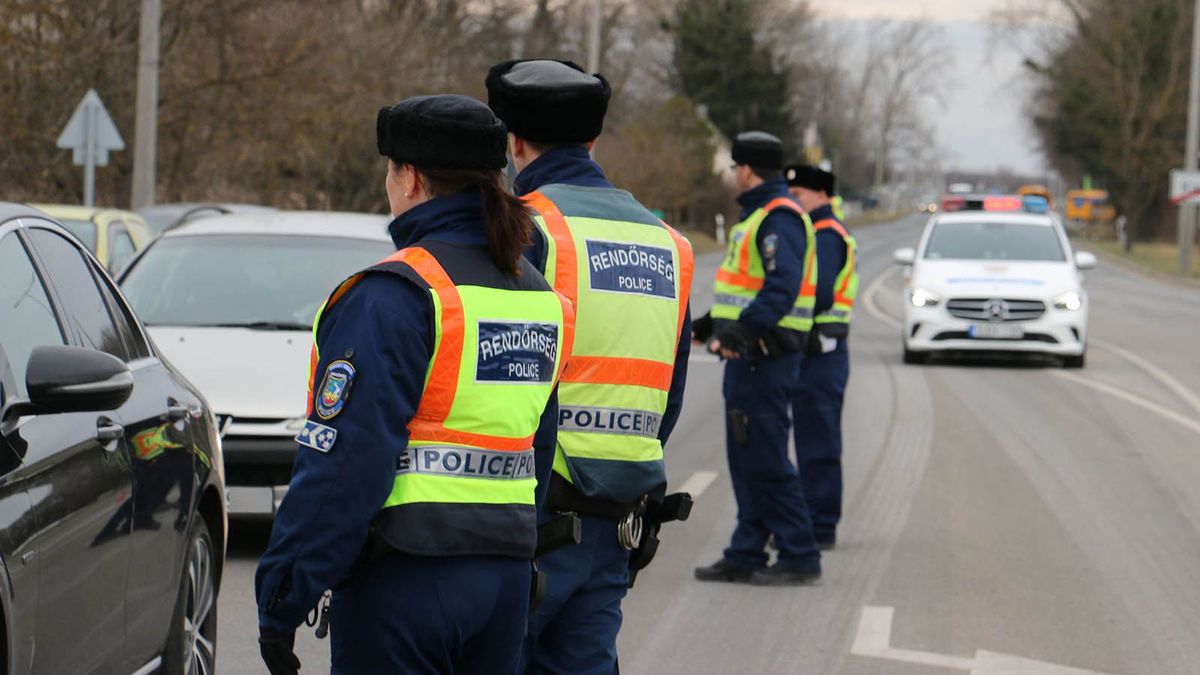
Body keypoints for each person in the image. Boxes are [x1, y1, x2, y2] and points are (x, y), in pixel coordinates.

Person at [254, 94, 575, 675]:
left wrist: (283, 596)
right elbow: (539, 447)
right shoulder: (536, 293)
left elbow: (345, 464)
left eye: (389, 172)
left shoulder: (395, 293)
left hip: (405, 584)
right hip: (504, 582)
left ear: (410, 179)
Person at [485, 58, 694, 674]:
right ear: (594, 140)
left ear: (513, 143)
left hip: (533, 513)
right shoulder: (670, 243)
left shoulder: (527, 227)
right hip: (618, 516)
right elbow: (670, 395)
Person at [692, 131, 822, 586]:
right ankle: (746, 551)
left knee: (765, 459)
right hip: (750, 357)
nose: (732, 176)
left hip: (764, 358)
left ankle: (799, 553)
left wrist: (742, 332)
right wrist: (709, 325)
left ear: (746, 170)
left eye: (734, 168)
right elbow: (743, 291)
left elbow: (780, 289)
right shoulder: (759, 217)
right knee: (747, 459)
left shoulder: (779, 218)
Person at [784, 163, 856, 550]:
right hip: (815, 352)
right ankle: (813, 520)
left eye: (800, 196)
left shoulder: (827, 235)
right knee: (812, 440)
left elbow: (819, 293)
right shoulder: (816, 231)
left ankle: (821, 525)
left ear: (823, 195)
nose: (794, 203)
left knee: (818, 444)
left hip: (821, 353)